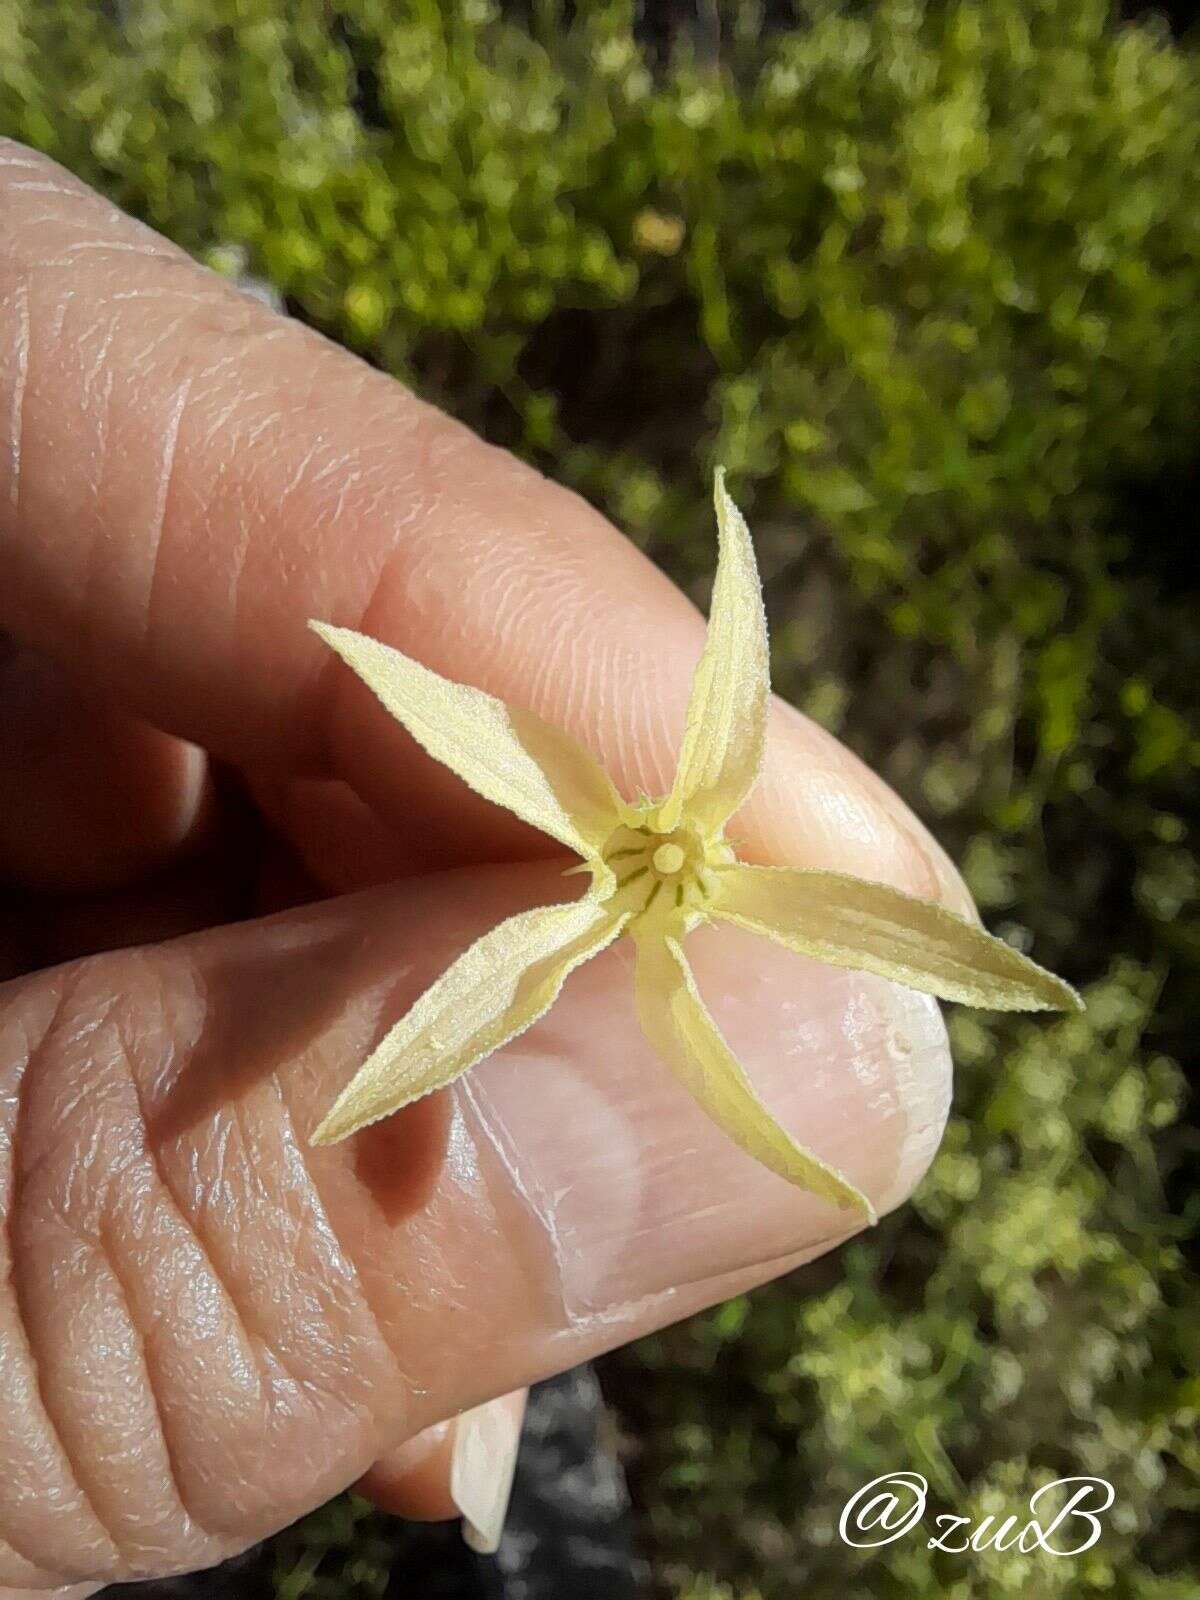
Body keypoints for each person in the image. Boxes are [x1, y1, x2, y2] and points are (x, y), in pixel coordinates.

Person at [0, 139, 965, 1595]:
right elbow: (437, 711)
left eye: (673, 854)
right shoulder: (617, 855)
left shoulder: (642, 866)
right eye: (665, 848)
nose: (672, 859)